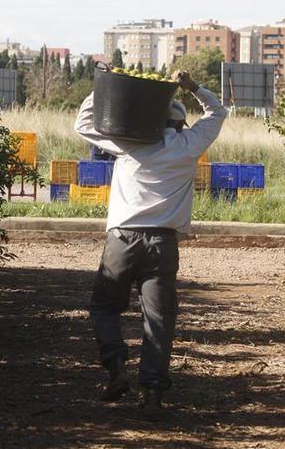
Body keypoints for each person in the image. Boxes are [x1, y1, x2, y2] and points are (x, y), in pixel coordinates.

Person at [74, 71, 227, 421]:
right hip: (163, 243)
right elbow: (217, 113)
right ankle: (153, 395)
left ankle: (116, 371)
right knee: (158, 321)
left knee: (103, 308)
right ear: (181, 123)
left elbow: (83, 123)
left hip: (121, 240)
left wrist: (103, 87)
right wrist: (192, 87)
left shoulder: (130, 143)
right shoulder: (189, 147)